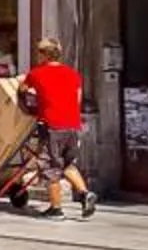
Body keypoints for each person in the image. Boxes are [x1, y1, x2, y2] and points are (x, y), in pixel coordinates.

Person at [19, 36, 95, 220]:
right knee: (67, 163)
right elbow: (76, 100)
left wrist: (32, 105)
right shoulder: (72, 74)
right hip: (72, 125)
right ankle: (85, 194)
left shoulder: (37, 73)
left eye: (39, 52)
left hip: (52, 125)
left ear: (44, 54)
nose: (37, 56)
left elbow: (22, 89)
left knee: (50, 167)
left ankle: (56, 209)